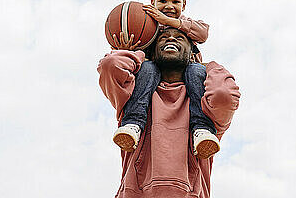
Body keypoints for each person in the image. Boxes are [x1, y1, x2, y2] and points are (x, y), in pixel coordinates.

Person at [98, 27, 240, 197]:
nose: (171, 39)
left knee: (205, 127)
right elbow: (110, 66)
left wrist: (209, 67)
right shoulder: (134, 96)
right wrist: (136, 54)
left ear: (192, 53)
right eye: (163, 37)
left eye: (180, 38)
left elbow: (224, 96)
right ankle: (133, 124)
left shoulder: (205, 106)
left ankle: (199, 130)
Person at [109, 0, 218, 159]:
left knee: (195, 71)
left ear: (184, 5)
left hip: (185, 75)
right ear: (153, 2)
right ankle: (133, 123)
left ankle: (201, 129)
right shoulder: (148, 25)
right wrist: (126, 48)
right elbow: (138, 55)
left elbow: (203, 33)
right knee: (148, 68)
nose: (169, 6)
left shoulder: (185, 24)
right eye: (163, 1)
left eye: (175, 1)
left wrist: (172, 22)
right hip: (155, 78)